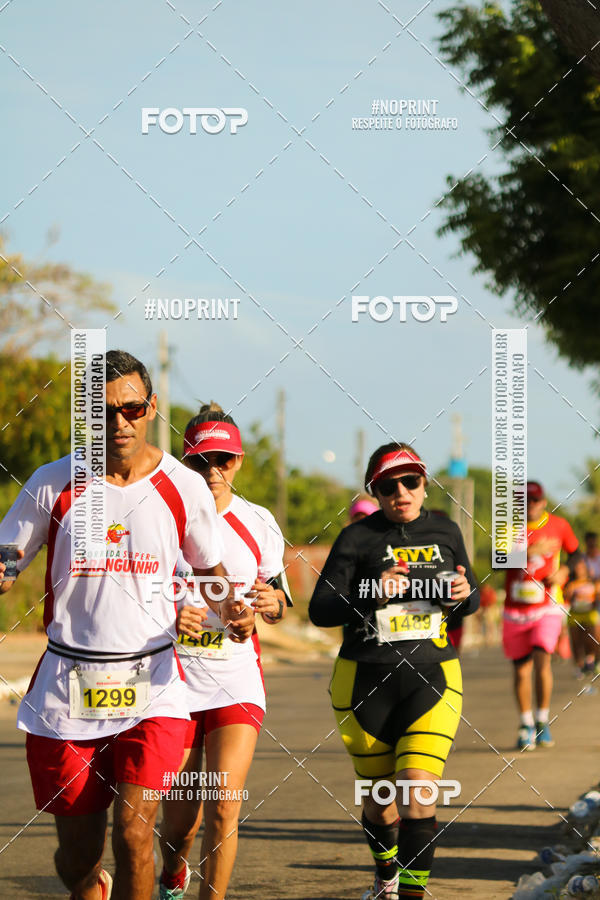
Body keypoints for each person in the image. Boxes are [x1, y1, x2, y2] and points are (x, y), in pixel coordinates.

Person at [0, 350, 249, 900]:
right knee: (79, 855)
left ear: (151, 407)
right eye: (103, 410)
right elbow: (8, 557)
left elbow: (210, 568)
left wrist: (234, 605)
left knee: (136, 834)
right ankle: (91, 886)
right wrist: (3, 569)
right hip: (69, 687)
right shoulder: (54, 482)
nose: (119, 422)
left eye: (132, 409)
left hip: (153, 686)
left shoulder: (181, 486)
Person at [309, 442, 479, 900]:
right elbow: (320, 609)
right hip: (366, 682)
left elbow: (472, 599)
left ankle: (411, 895)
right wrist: (369, 592)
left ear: (425, 485)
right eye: (389, 486)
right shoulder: (356, 539)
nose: (401, 493)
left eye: (411, 482)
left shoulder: (445, 531)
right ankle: (386, 873)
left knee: (418, 792)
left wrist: (463, 593)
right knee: (382, 805)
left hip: (433, 677)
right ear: (376, 491)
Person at [158, 403, 291, 900]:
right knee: (181, 823)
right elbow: (131, 593)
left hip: (235, 676)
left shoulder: (258, 520)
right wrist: (171, 617)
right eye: (200, 461)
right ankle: (173, 868)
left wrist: (266, 609)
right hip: (172, 681)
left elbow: (277, 601)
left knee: (223, 804)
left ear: (238, 461)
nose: (212, 471)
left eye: (223, 460)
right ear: (184, 461)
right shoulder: (160, 516)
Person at [503, 480, 579, 751]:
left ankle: (542, 720)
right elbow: (494, 561)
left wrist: (565, 573)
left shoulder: (560, 526)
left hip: (547, 606)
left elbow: (576, 554)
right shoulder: (509, 529)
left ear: (544, 501)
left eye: (535, 500)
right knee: (522, 670)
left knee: (542, 658)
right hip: (515, 610)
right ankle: (525, 724)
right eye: (524, 501)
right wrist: (525, 553)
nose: (530, 505)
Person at [564, 557, 600, 678]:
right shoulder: (572, 583)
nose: (579, 569)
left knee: (591, 638)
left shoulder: (593, 582)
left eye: (581, 567)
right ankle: (579, 665)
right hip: (575, 614)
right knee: (576, 641)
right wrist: (573, 594)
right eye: (577, 567)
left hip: (589, 613)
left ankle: (591, 662)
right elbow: (566, 596)